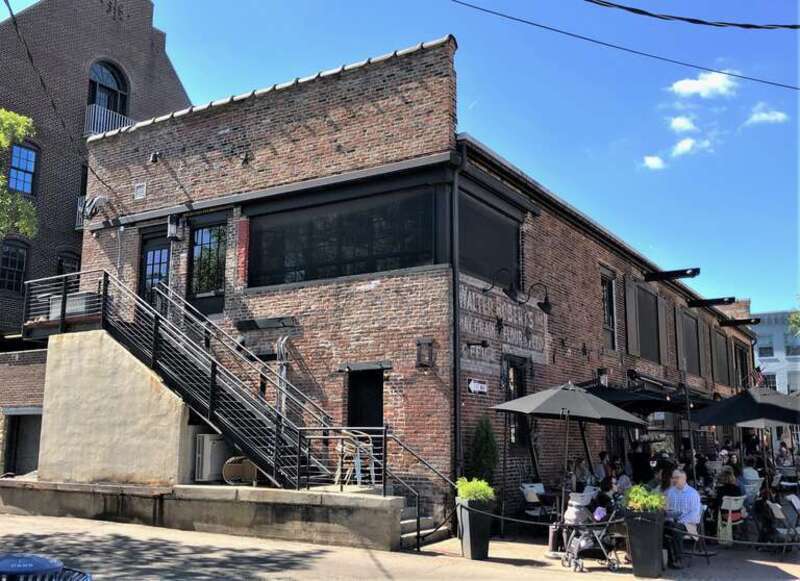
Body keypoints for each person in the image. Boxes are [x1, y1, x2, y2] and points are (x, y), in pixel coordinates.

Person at [664, 469, 702, 569]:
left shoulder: (693, 494)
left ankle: (679, 559)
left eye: (677, 478)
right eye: (673, 478)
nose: (674, 480)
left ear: (684, 479)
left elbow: (694, 515)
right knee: (660, 528)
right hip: (672, 522)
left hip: (689, 524)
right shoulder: (669, 492)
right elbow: (666, 510)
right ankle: (666, 559)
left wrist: (680, 522)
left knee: (676, 529)